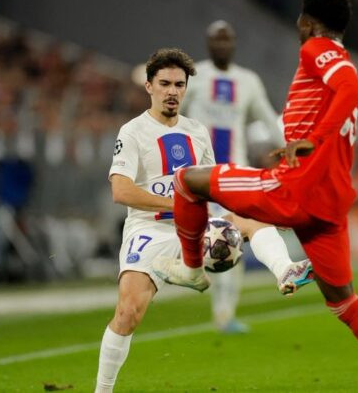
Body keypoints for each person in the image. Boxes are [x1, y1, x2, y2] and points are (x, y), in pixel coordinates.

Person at [157, 0, 358, 392]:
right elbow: (338, 97)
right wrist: (302, 140)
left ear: (307, 23)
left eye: (301, 21)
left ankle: (192, 269)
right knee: (344, 302)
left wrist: (313, 139)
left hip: (296, 189)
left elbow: (353, 89)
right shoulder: (338, 57)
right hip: (330, 203)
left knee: (187, 181)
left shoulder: (315, 49)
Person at [94, 48, 312, 393]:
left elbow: (212, 187)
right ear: (149, 86)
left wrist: (248, 205)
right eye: (164, 83)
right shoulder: (133, 131)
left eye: (179, 85)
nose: (172, 91)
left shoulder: (196, 131)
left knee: (251, 217)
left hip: (197, 223)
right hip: (150, 227)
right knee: (129, 312)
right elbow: (120, 191)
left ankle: (285, 268)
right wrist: (177, 203)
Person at [181, 20, 287, 333]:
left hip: (235, 175)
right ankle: (218, 307)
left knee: (232, 239)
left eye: (227, 40)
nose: (222, 45)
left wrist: (288, 151)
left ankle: (225, 313)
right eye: (217, 40)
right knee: (213, 240)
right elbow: (171, 117)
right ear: (208, 43)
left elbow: (268, 118)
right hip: (199, 174)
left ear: (234, 44)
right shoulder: (194, 78)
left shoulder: (248, 81)